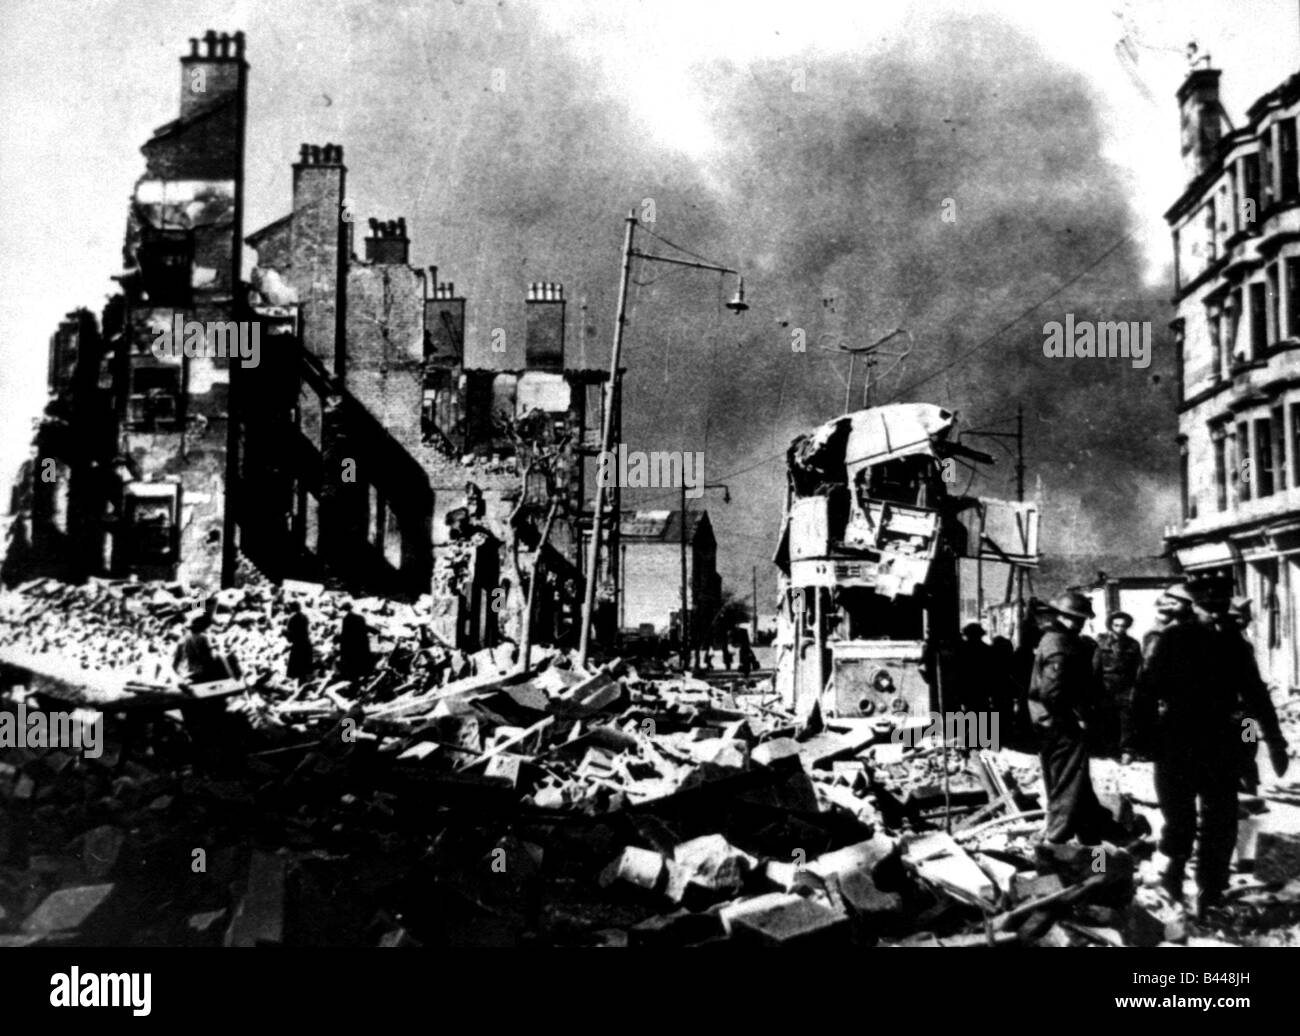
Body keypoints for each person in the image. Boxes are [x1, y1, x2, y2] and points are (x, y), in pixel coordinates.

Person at [1134, 577, 1290, 915]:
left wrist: (1274, 741)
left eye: (1222, 601)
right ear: (1199, 603)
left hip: (1215, 742)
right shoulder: (1174, 638)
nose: (1219, 608)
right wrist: (1139, 741)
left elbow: (1256, 695)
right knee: (1183, 819)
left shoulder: (1232, 643)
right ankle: (1176, 877)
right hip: (1181, 740)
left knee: (1218, 820)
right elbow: (1145, 691)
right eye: (1213, 602)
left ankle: (1210, 891)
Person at [1027, 591, 1114, 844]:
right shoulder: (1060, 644)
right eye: (1073, 618)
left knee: (1078, 785)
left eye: (1080, 619)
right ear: (1061, 616)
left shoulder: (1055, 639)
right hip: (1061, 726)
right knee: (1067, 786)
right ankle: (1055, 844)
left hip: (1052, 723)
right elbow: (1053, 692)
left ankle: (1094, 845)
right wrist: (1076, 718)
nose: (1078, 623)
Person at [1093, 611, 1142, 762]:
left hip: (1125, 685)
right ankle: (1108, 749)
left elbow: (1138, 667)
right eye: (1116, 625)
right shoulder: (1101, 642)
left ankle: (1126, 750)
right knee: (1106, 717)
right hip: (1105, 683)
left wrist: (1135, 687)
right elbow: (1095, 665)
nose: (1120, 628)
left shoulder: (1133, 644)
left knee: (1126, 719)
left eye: (1123, 625)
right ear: (1111, 625)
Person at [172, 609, 223, 686]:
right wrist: (216, 647)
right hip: (203, 671)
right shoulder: (204, 637)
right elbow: (210, 657)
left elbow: (176, 661)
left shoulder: (182, 639)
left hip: (188, 671)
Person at [955, 623, 993, 713]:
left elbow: (958, 672)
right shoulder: (987, 649)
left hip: (967, 690)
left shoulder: (962, 650)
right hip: (983, 690)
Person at [336, 600, 373, 681]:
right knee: (361, 661)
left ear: (344, 610)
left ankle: (353, 679)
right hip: (362, 644)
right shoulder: (360, 617)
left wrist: (338, 640)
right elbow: (366, 628)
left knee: (352, 663)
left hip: (352, 645)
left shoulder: (346, 619)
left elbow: (345, 634)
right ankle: (364, 676)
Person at [284, 601, 314, 683]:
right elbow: (308, 630)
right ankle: (307, 685)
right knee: (305, 668)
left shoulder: (291, 619)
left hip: (297, 646)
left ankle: (301, 688)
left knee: (297, 670)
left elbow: (290, 637)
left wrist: (285, 634)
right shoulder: (305, 617)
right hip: (306, 643)